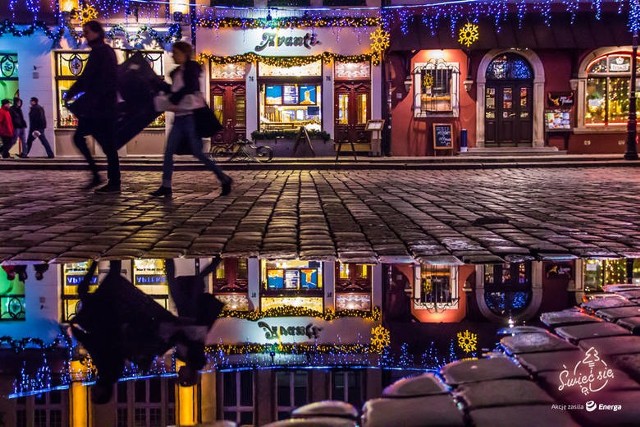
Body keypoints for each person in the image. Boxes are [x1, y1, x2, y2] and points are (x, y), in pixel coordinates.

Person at [150, 41, 232, 197]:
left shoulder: (192, 69)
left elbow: (189, 88)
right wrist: (159, 85)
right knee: (168, 152)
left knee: (198, 153)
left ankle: (224, 178)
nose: (173, 55)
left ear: (184, 53)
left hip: (190, 118)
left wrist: (173, 98)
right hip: (179, 118)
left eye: (176, 52)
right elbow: (174, 90)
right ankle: (166, 185)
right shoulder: (176, 72)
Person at [65, 20, 120, 194]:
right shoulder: (101, 52)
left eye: (87, 32)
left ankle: (109, 180)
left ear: (97, 33)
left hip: (101, 109)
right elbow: (87, 79)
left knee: (106, 144)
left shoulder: (102, 53)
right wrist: (72, 92)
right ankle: (106, 178)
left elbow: (91, 79)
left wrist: (74, 93)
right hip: (99, 107)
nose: (85, 36)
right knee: (106, 145)